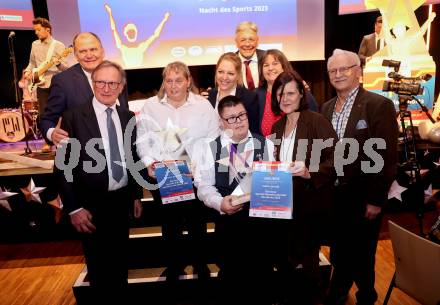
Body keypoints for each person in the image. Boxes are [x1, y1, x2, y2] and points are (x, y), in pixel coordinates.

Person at [54, 60, 142, 303]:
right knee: (99, 272)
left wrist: (135, 195)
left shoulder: (128, 117)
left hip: (121, 203)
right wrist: (73, 208)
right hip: (89, 207)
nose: (105, 88)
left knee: (120, 266)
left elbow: (131, 157)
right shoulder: (72, 117)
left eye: (112, 83)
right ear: (92, 84)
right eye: (100, 82)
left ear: (121, 86)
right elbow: (63, 167)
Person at [321, 49, 398, 305]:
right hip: (335, 197)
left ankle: (365, 297)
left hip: (364, 198)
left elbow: (386, 158)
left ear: (358, 72)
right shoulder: (327, 107)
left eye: (344, 69)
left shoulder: (379, 105)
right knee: (340, 252)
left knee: (364, 255)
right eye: (333, 71)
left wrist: (376, 200)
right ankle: (341, 293)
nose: (338, 74)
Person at [136, 61, 219, 280]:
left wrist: (200, 167)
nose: (173, 86)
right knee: (170, 226)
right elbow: (142, 140)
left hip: (194, 176)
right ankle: (174, 265)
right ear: (164, 82)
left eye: (178, 80)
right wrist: (149, 163)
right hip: (163, 176)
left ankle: (201, 265)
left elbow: (213, 139)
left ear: (188, 81)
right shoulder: (150, 107)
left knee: (197, 225)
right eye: (169, 80)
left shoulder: (203, 106)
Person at [194, 95, 276, 305]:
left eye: (241, 115)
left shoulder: (265, 144)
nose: (238, 121)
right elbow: (203, 186)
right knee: (231, 282)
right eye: (231, 118)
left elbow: (273, 182)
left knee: (262, 280)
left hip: (261, 227)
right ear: (221, 122)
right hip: (229, 226)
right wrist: (219, 203)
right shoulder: (209, 148)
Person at [270, 71, 337, 304]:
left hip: (309, 206)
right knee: (284, 262)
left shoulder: (316, 121)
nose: (285, 98)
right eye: (280, 94)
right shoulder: (277, 127)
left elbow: (337, 159)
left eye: (290, 93)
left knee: (309, 266)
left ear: (301, 94)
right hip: (281, 205)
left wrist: (310, 171)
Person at [40, 32, 129, 147]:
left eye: (93, 49)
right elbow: (47, 119)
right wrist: (52, 133)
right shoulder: (62, 82)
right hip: (84, 158)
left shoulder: (117, 74)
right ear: (76, 55)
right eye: (83, 51)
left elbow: (124, 111)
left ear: (102, 51)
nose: (89, 55)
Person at [23, 17, 69, 151]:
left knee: (62, 114)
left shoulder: (58, 45)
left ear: (47, 29)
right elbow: (32, 63)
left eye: (38, 30)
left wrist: (58, 63)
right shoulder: (34, 44)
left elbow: (66, 68)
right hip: (41, 85)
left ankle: (65, 141)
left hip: (56, 84)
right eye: (35, 30)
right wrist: (27, 71)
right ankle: (48, 142)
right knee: (43, 115)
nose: (36, 32)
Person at [257, 49, 318, 137]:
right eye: (266, 65)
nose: (270, 68)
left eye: (275, 63)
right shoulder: (255, 96)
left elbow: (314, 123)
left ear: (284, 67)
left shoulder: (301, 92)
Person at [207, 52, 260, 134]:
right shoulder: (208, 96)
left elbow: (253, 132)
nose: (224, 77)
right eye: (220, 72)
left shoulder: (249, 98)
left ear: (238, 75)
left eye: (230, 73)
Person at [104, 4, 170, 69]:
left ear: (136, 33)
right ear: (126, 34)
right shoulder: (123, 48)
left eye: (132, 32)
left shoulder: (140, 47)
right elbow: (114, 29)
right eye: (129, 32)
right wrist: (110, 13)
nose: (131, 34)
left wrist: (164, 20)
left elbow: (155, 35)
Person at [234, 21, 265, 90]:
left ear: (257, 41)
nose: (247, 44)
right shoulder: (230, 61)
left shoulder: (267, 58)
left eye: (251, 39)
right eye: (243, 40)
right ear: (236, 42)